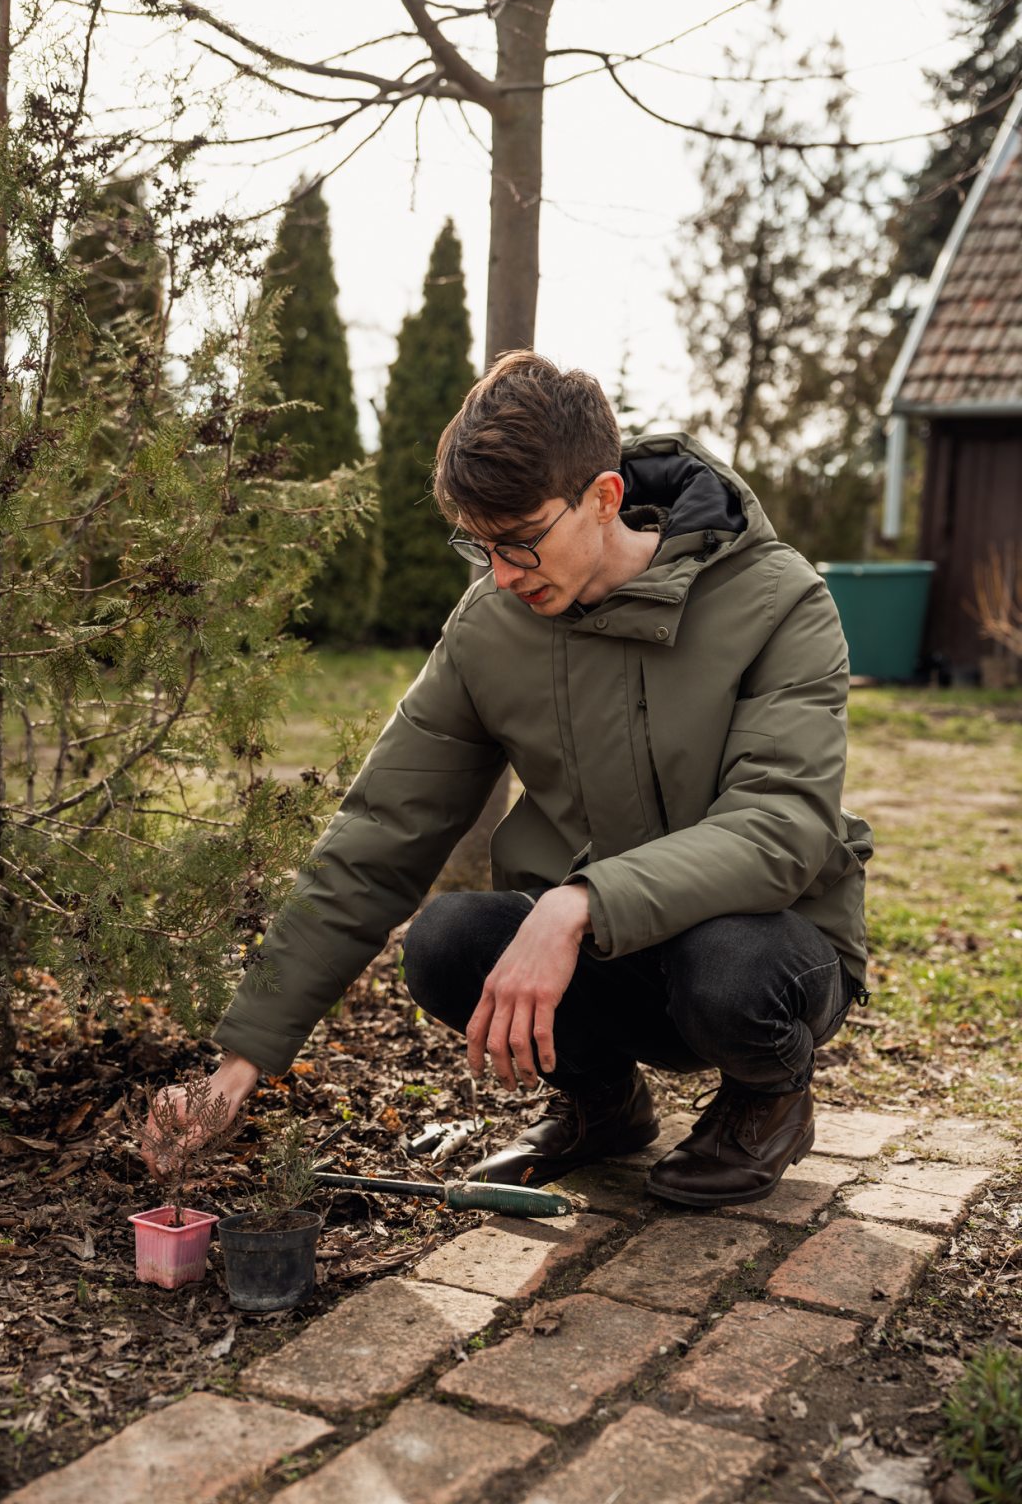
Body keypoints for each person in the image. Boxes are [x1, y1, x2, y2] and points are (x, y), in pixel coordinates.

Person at [143, 351, 873, 1207]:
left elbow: (780, 828)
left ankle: (768, 1097)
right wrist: (241, 1064)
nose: (501, 573)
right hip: (613, 956)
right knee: (446, 944)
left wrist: (577, 902)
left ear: (603, 498)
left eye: (522, 541)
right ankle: (605, 1107)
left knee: (729, 968)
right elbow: (379, 834)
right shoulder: (492, 624)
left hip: (769, 951)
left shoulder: (779, 599)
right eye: (480, 545)